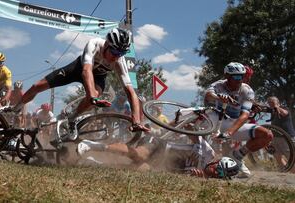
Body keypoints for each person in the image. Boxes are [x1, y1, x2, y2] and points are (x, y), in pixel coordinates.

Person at [13, 28, 149, 143]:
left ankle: (72, 118)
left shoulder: (119, 61)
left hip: (99, 77)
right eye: (114, 52)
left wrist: (136, 120)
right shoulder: (94, 44)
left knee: (96, 94)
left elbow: (131, 92)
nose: (116, 57)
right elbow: (86, 71)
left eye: (121, 53)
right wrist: (91, 96)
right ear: (107, 44)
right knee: (38, 85)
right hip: (78, 69)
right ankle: (17, 107)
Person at [204, 62, 273, 178]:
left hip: (234, 124)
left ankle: (237, 156)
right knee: (206, 116)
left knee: (267, 135)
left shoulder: (247, 90)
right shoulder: (219, 85)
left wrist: (228, 132)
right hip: (217, 118)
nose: (239, 80)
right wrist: (218, 97)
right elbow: (208, 95)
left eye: (241, 76)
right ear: (227, 76)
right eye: (236, 77)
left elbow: (245, 115)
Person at [76, 133, 239, 179]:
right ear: (218, 161)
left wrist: (196, 177)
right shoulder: (208, 151)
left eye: (221, 175)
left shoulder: (202, 178)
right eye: (219, 168)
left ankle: (95, 163)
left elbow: (175, 176)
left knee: (139, 170)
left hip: (158, 164)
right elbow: (194, 133)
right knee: (138, 155)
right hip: (160, 145)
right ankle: (92, 145)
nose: (216, 173)